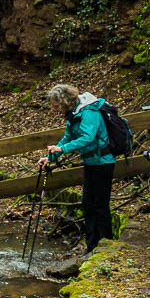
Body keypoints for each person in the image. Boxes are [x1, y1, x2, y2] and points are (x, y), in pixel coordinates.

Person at [36, 83, 116, 255]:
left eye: (56, 106)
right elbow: (67, 138)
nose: (55, 109)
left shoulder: (88, 111)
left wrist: (62, 150)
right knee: (88, 204)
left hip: (104, 163)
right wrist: (50, 157)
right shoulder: (73, 114)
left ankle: (105, 246)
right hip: (91, 163)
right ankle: (92, 246)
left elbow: (88, 137)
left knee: (100, 205)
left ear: (65, 101)